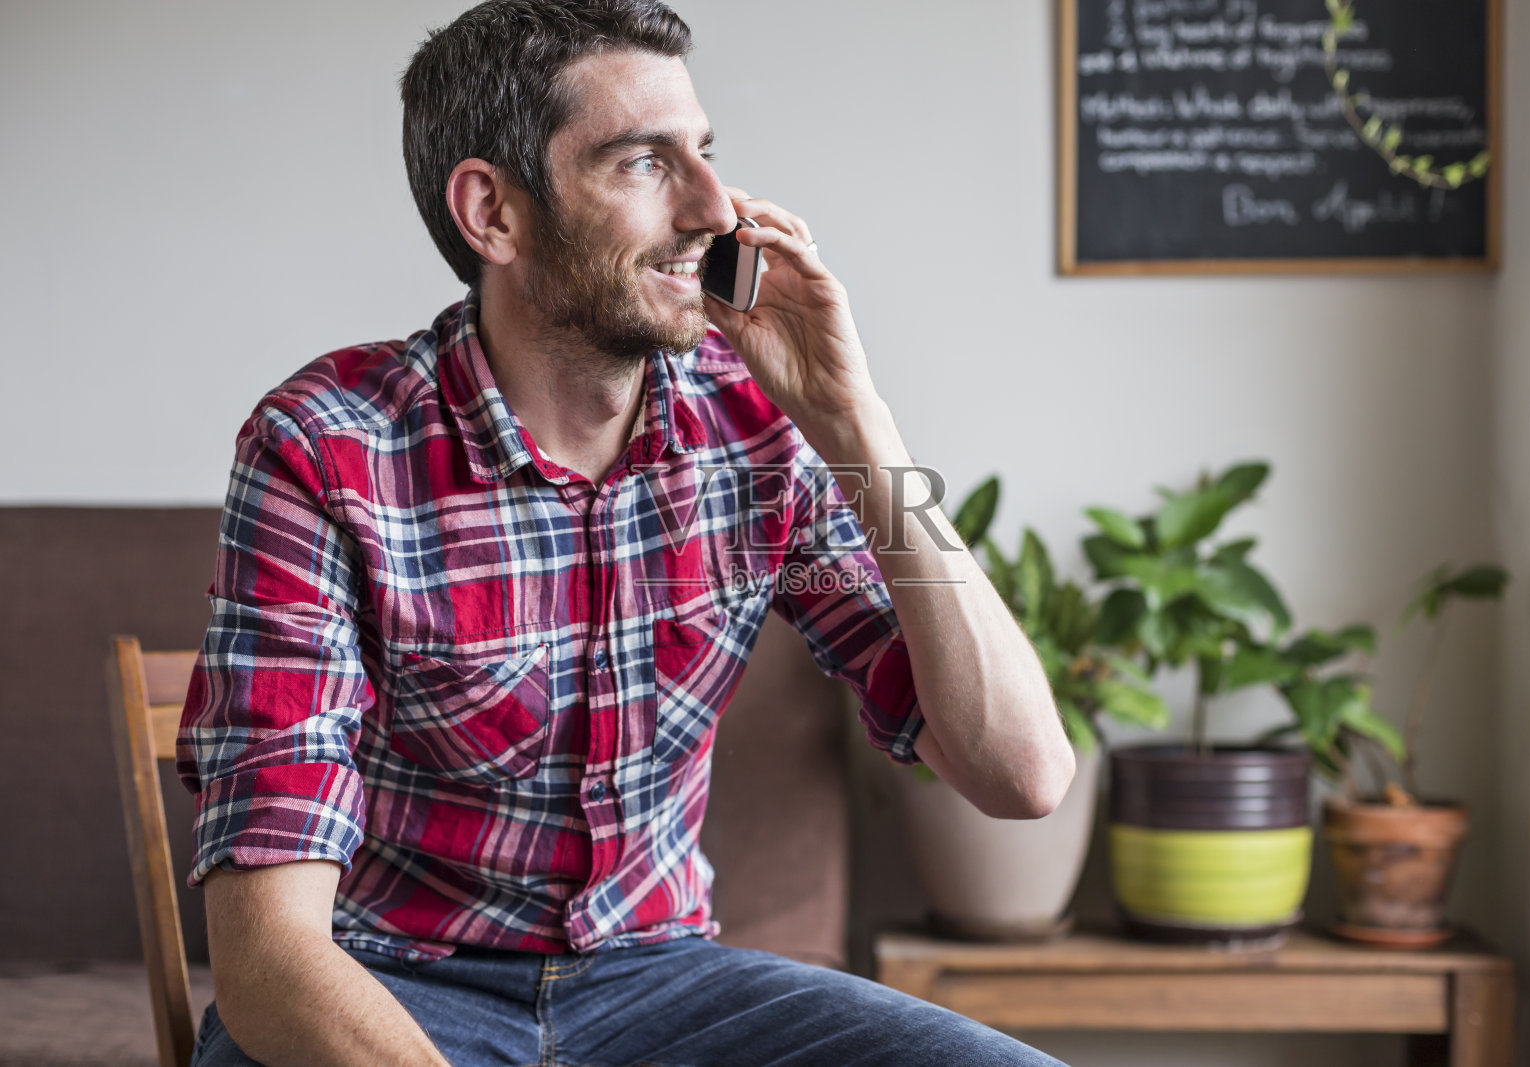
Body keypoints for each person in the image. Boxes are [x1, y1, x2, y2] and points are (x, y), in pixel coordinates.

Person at [176, 2, 1074, 1064]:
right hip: (386, 984)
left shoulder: (756, 431)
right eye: (643, 162)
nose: (712, 207)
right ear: (493, 213)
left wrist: (855, 421)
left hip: (667, 983)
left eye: (704, 153)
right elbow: (268, 952)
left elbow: (1022, 773)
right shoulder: (327, 448)